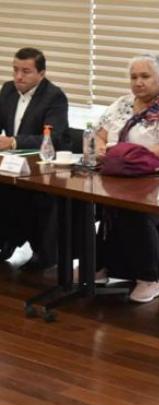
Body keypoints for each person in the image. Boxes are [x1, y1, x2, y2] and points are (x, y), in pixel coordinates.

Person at [93, 53, 159, 303]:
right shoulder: (122, 104)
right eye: (133, 77)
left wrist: (128, 154)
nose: (138, 82)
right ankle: (97, 266)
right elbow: (99, 134)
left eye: (145, 76)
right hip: (124, 178)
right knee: (95, 204)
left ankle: (149, 279)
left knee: (133, 211)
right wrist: (101, 148)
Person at [0, 47, 69, 269]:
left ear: (41, 73)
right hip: (12, 164)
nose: (18, 76)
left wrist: (14, 142)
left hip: (41, 167)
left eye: (26, 71)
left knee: (34, 198)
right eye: (15, 70)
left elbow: (54, 138)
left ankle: (43, 253)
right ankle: (6, 240)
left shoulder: (54, 96)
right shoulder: (8, 89)